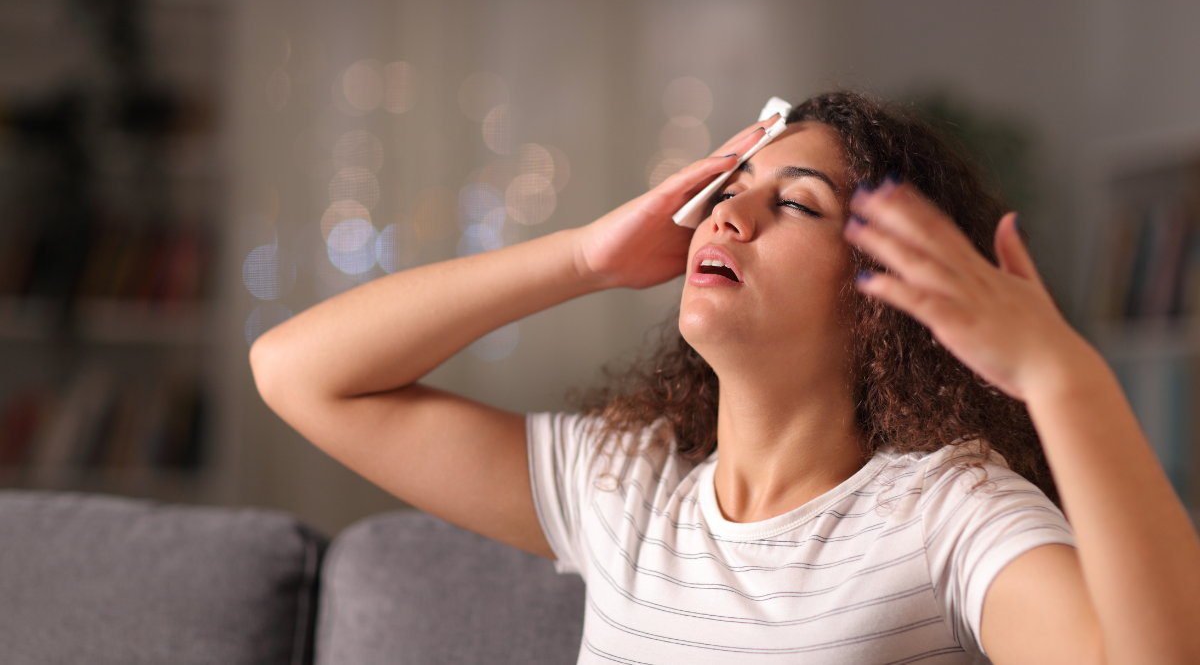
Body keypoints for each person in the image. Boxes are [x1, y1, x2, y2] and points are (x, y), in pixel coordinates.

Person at [250, 91, 1200, 664]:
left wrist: (1065, 379)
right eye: (725, 190)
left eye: (797, 203)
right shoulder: (623, 484)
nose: (727, 216)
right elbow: (297, 372)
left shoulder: (948, 511)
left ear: (883, 291)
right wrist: (585, 257)